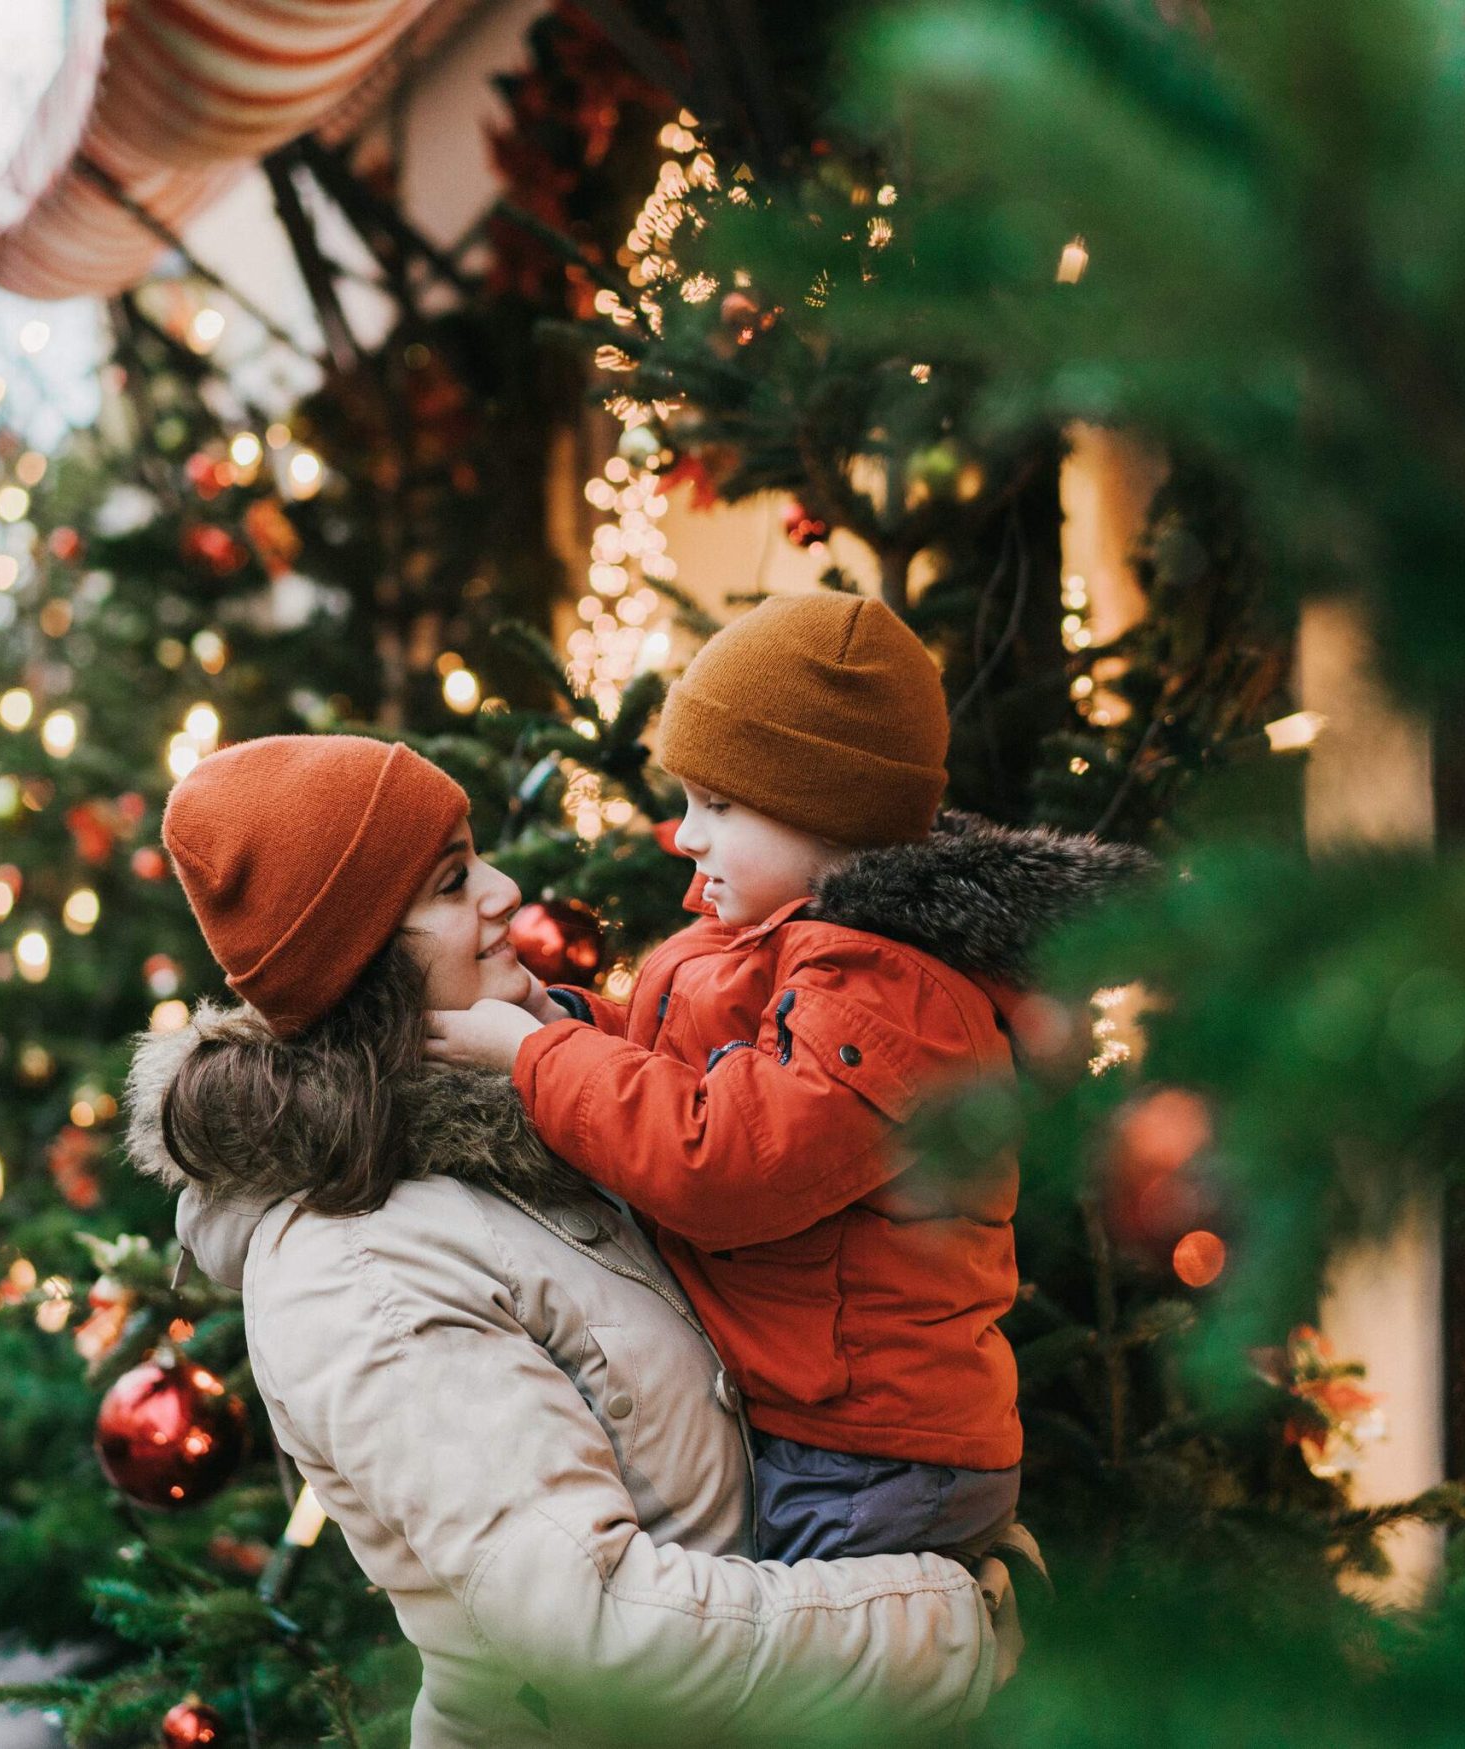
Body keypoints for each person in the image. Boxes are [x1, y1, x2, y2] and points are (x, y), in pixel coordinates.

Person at [125, 732, 1017, 1749]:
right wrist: (951, 1623)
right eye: (455, 882)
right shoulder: (357, 1270)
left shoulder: (535, 1129)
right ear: (361, 963)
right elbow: (592, 1629)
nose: (506, 891)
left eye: (476, 856)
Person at [427, 593, 1145, 1564]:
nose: (685, 835)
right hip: (823, 1432)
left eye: (718, 807)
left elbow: (723, 1161)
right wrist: (558, 1023)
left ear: (829, 813)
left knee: (816, 1693)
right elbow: (674, 1073)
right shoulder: (781, 949)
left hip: (874, 1456)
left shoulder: (884, 990)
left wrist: (531, 1057)